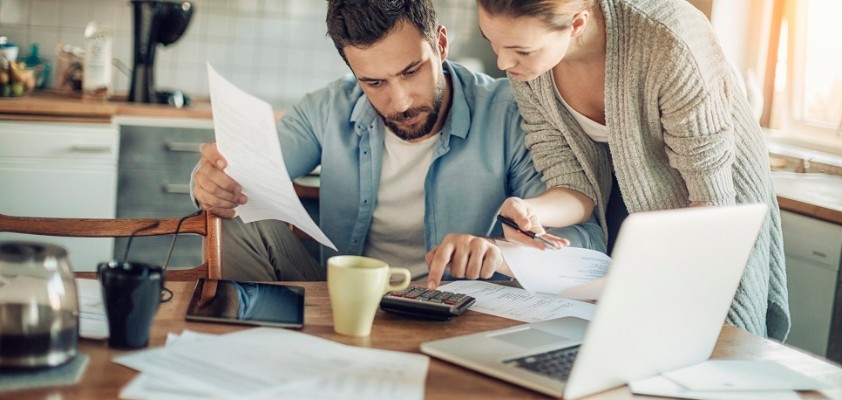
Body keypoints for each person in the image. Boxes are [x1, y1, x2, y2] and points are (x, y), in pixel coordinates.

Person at [191, 0, 605, 289]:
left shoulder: (510, 113)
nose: (400, 101)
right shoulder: (327, 109)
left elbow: (585, 242)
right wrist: (212, 182)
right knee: (232, 214)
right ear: (353, 71)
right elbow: (243, 171)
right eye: (374, 83)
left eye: (411, 71)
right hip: (339, 298)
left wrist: (500, 253)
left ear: (440, 45)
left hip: (456, 309)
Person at [476, 0, 789, 341]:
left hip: (715, 202)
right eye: (492, 42)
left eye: (520, 50)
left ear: (577, 24)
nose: (503, 63)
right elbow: (572, 183)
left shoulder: (669, 38)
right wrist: (531, 209)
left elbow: (711, 205)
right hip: (630, 199)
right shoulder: (529, 68)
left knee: (710, 340)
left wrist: (647, 271)